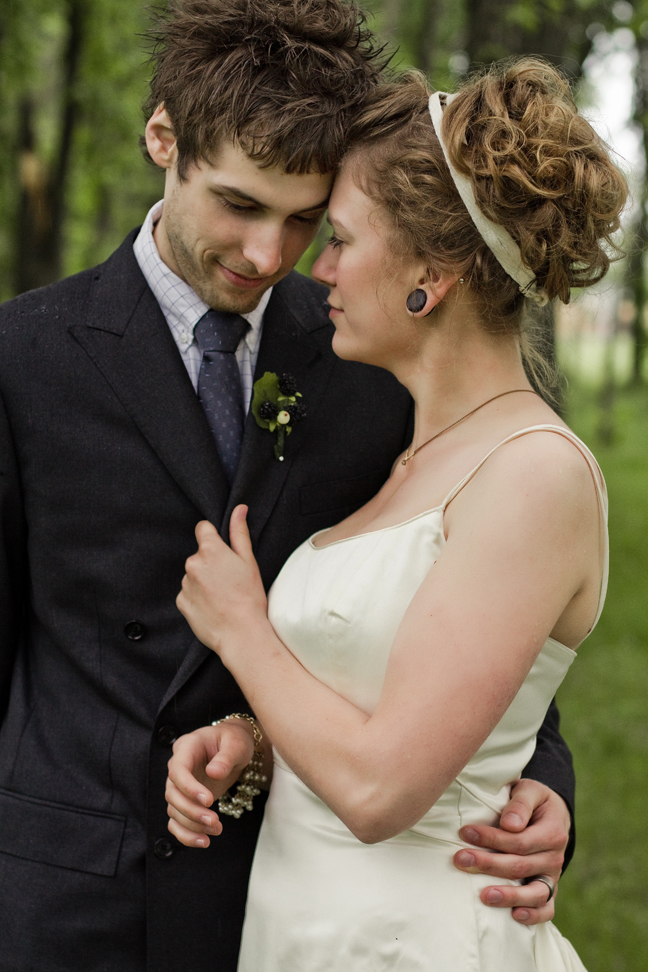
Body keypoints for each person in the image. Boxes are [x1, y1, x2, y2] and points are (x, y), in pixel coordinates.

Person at [0, 0, 575, 963]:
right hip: (72, 898)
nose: (269, 257)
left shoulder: (370, 351)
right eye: (240, 204)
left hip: (286, 894)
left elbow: (473, 603)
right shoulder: (24, 356)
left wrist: (541, 778)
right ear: (163, 139)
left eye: (307, 219)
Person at [166, 59, 627, 970]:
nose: (317, 267)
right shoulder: (413, 453)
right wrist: (252, 748)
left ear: (433, 272)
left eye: (340, 237)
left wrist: (245, 633)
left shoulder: (532, 473)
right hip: (301, 933)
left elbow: (381, 789)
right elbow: (377, 699)